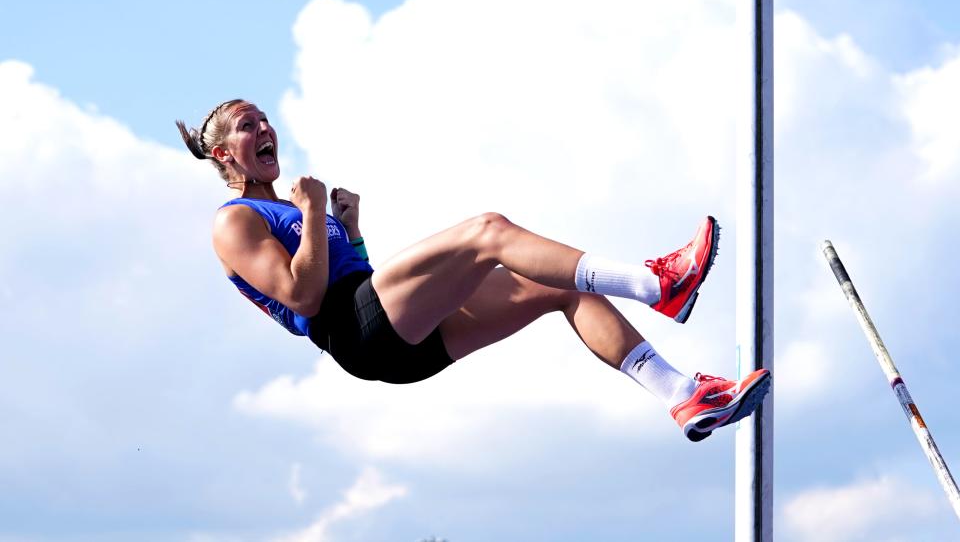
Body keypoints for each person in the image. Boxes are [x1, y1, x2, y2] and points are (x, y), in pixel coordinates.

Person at [177, 99, 770, 442]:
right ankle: (658, 284)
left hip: (393, 342)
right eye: (248, 127)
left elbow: (350, 276)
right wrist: (310, 213)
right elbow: (305, 299)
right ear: (225, 154)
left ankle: (684, 396)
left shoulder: (285, 206)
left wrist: (349, 230)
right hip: (353, 331)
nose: (265, 130)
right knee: (488, 231)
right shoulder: (234, 221)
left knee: (557, 288)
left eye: (264, 120)